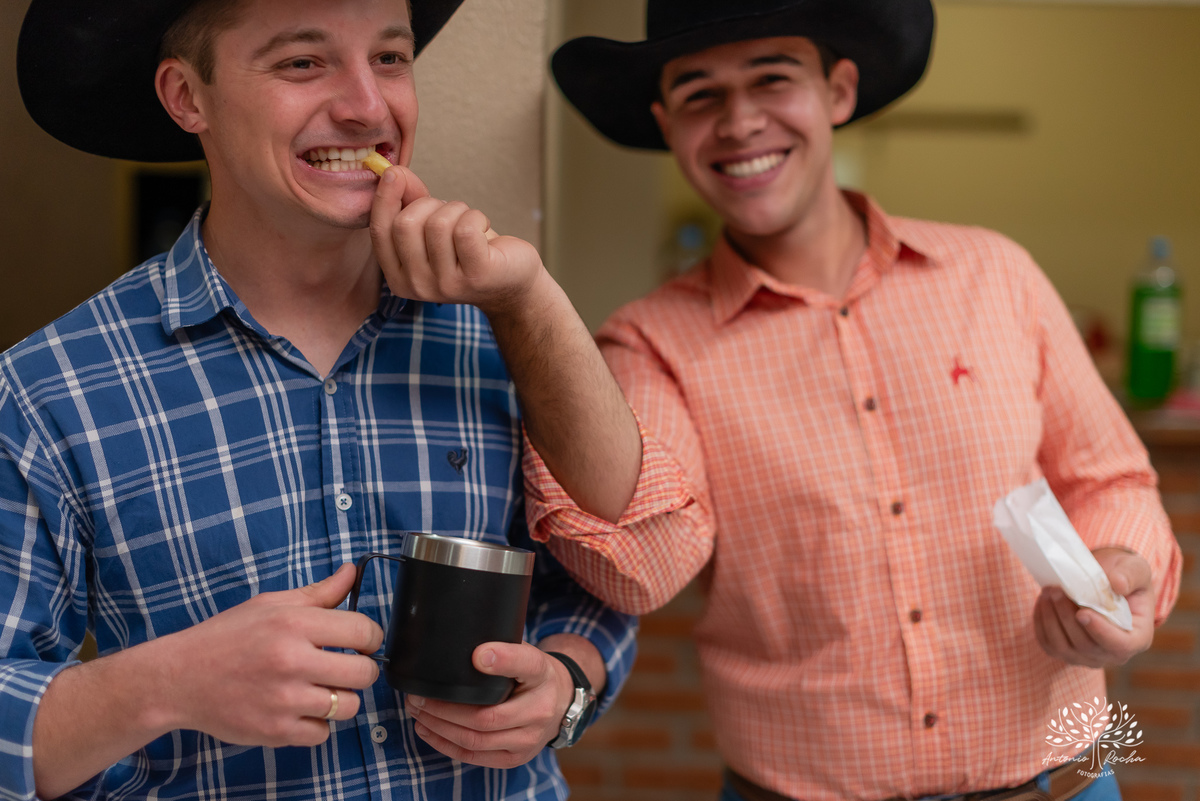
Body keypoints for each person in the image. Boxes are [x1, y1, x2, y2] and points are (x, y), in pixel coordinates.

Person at [529, 1, 1184, 799]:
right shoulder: (648, 343)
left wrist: (1122, 566)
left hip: (1067, 781)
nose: (739, 122)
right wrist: (527, 306)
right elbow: (642, 569)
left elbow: (1110, 478)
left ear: (838, 91)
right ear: (667, 122)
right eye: (700, 94)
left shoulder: (997, 276)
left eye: (773, 78)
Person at [0, 0, 650, 798]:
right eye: (303, 63)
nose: (368, 108)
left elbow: (600, 580)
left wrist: (566, 689)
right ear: (186, 97)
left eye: (390, 58)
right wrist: (161, 683)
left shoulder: (508, 333)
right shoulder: (47, 390)